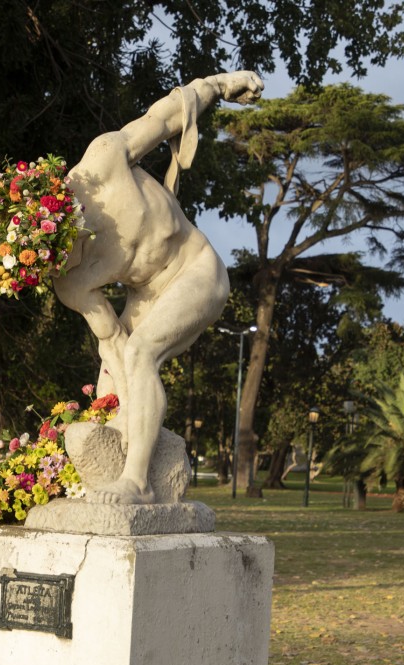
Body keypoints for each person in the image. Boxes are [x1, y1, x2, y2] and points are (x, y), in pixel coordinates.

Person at [54, 71, 264, 504]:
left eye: (63, 251)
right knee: (113, 380)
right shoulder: (68, 282)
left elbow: (167, 116)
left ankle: (138, 482)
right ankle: (107, 474)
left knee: (142, 352)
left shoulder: (103, 162)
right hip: (146, 295)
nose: (67, 265)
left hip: (196, 269)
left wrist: (221, 84)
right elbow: (112, 341)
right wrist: (126, 414)